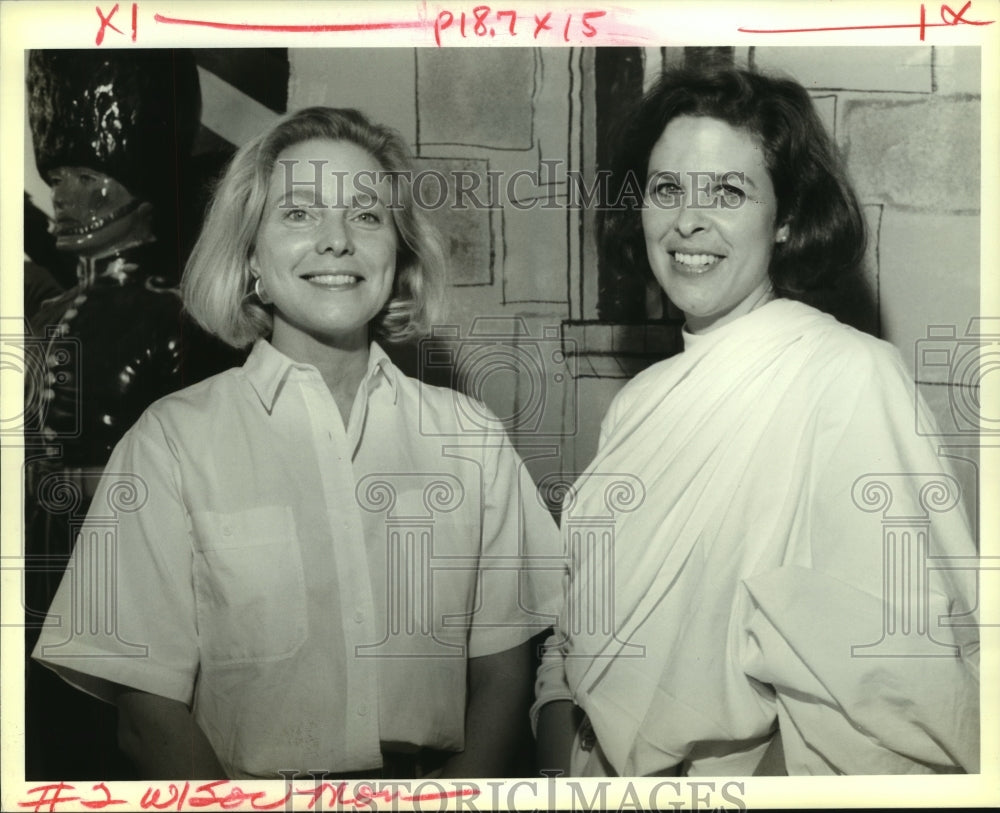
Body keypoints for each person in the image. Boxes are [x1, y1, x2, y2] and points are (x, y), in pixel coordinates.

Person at [33, 107, 561, 779]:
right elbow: (147, 718)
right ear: (250, 254)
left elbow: (502, 681)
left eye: (367, 215)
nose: (337, 240)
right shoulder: (169, 442)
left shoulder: (471, 437)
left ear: (397, 255)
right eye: (300, 213)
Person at [533, 67, 980, 776]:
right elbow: (576, 628)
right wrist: (560, 742)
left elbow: (891, 685)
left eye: (729, 192)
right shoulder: (634, 405)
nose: (688, 222)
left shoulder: (848, 376)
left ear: (788, 220)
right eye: (667, 189)